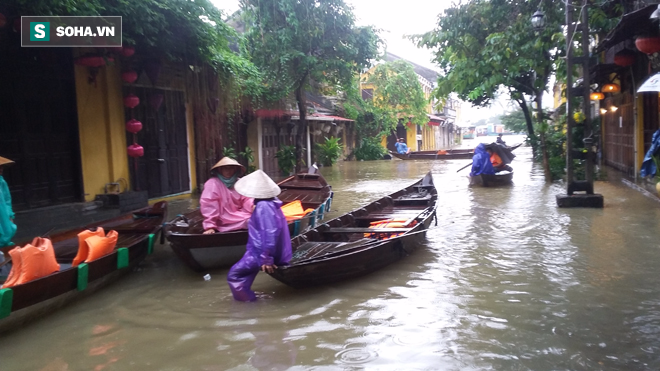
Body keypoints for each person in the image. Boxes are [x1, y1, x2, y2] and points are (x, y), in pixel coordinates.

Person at [227, 170, 292, 301]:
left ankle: (249, 306)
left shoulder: (263, 206)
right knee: (242, 274)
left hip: (259, 253)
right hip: (261, 251)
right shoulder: (270, 202)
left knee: (235, 275)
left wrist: (266, 258)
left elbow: (270, 233)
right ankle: (249, 300)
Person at [200, 157, 253, 234]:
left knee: (256, 221)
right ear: (220, 170)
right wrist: (210, 226)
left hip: (239, 216)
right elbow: (209, 205)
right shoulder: (212, 184)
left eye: (231, 168)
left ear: (235, 169)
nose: (228, 171)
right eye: (225, 169)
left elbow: (246, 199)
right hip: (221, 219)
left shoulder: (240, 183)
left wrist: (253, 206)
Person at [0, 156, 16, 248]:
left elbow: (7, 199)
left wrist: (10, 214)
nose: (1, 169)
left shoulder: (2, 182)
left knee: (7, 230)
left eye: (1, 167)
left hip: (3, 212)